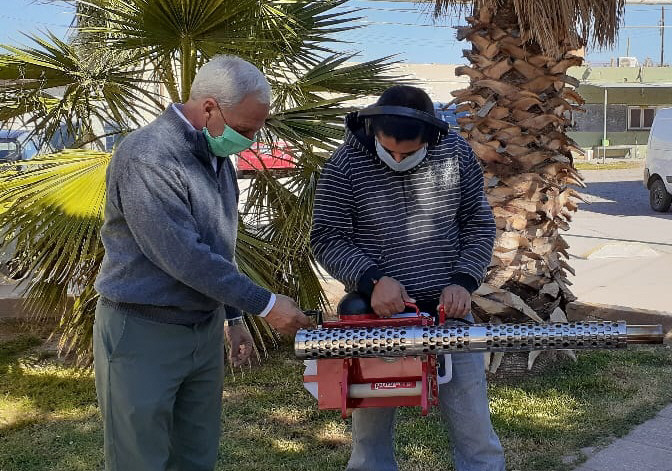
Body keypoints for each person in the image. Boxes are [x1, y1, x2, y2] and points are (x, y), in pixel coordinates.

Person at [93, 55, 311, 471]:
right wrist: (263, 304)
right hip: (142, 331)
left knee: (196, 456)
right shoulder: (147, 156)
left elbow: (218, 246)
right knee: (138, 459)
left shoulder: (216, 156)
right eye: (245, 129)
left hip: (202, 330)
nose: (250, 138)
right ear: (210, 107)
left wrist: (231, 317)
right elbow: (183, 256)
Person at [311, 85, 506, 471]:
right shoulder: (344, 164)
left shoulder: (456, 154)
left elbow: (479, 224)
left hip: (447, 315)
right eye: (390, 149)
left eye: (408, 152)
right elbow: (327, 238)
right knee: (369, 443)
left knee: (475, 432)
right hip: (375, 318)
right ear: (373, 131)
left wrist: (464, 281)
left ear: (430, 137)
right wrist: (371, 279)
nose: (397, 158)